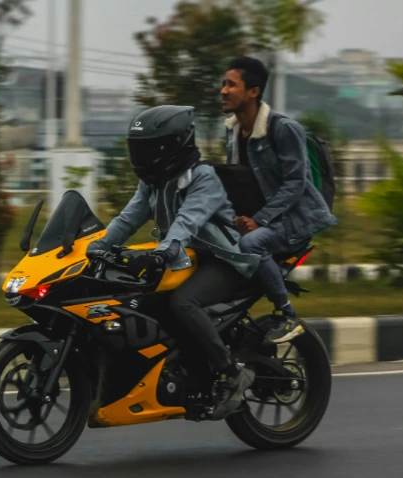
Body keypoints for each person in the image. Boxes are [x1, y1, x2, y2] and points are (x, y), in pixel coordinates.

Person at [87, 105, 260, 420]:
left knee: (183, 303)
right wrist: (94, 247)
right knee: (143, 301)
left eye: (147, 148)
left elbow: (186, 221)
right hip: (185, 257)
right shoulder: (153, 181)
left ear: (172, 146)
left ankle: (230, 372)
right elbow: (127, 220)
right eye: (136, 148)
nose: (139, 156)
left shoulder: (203, 178)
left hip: (224, 259)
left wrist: (162, 251)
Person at [221, 57, 337, 343]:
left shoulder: (284, 129)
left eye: (231, 84)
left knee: (251, 244)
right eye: (223, 84)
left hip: (295, 220)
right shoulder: (234, 131)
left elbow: (295, 183)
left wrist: (258, 220)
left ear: (253, 91)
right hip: (262, 219)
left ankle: (286, 314)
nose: (223, 90)